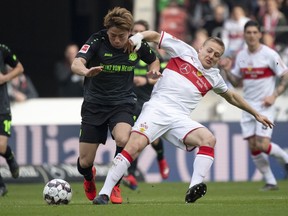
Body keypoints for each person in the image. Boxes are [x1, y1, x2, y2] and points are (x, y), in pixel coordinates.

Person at [92, 30, 274, 205]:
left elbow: (232, 96)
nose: (211, 56)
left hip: (179, 118)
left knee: (208, 139)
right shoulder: (184, 51)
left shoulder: (214, 77)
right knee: (133, 147)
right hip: (157, 109)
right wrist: (139, 36)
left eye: (216, 55)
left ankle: (194, 187)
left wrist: (256, 114)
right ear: (201, 48)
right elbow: (155, 35)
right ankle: (104, 193)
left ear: (219, 59)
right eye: (209, 50)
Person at [70, 7, 161, 204]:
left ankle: (115, 184)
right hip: (94, 104)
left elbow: (155, 60)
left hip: (122, 103)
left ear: (130, 32)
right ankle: (89, 177)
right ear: (107, 30)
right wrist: (86, 72)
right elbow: (76, 63)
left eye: (122, 36)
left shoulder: (135, 44)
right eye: (113, 35)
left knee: (123, 138)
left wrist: (153, 72)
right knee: (84, 162)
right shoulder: (97, 40)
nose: (118, 40)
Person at [219, 20, 288, 191]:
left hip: (265, 105)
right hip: (247, 107)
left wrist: (274, 95)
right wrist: (227, 70)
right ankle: (270, 181)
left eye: (254, 32)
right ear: (244, 35)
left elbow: (285, 75)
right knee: (253, 146)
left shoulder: (270, 55)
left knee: (263, 144)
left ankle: (286, 160)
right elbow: (237, 82)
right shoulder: (241, 56)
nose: (251, 36)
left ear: (260, 34)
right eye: (248, 32)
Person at [122, 20, 170, 190]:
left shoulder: (156, 57)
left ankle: (160, 158)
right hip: (130, 100)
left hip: (150, 100)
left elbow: (160, 77)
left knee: (152, 138)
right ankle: (131, 174)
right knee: (133, 136)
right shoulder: (126, 53)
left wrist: (146, 80)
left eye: (141, 31)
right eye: (134, 31)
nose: (137, 34)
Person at [0, 43, 24, 196]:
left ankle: (9, 157)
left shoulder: (2, 49)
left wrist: (5, 78)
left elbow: (20, 68)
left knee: (1, 146)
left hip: (2, 107)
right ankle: (1, 186)